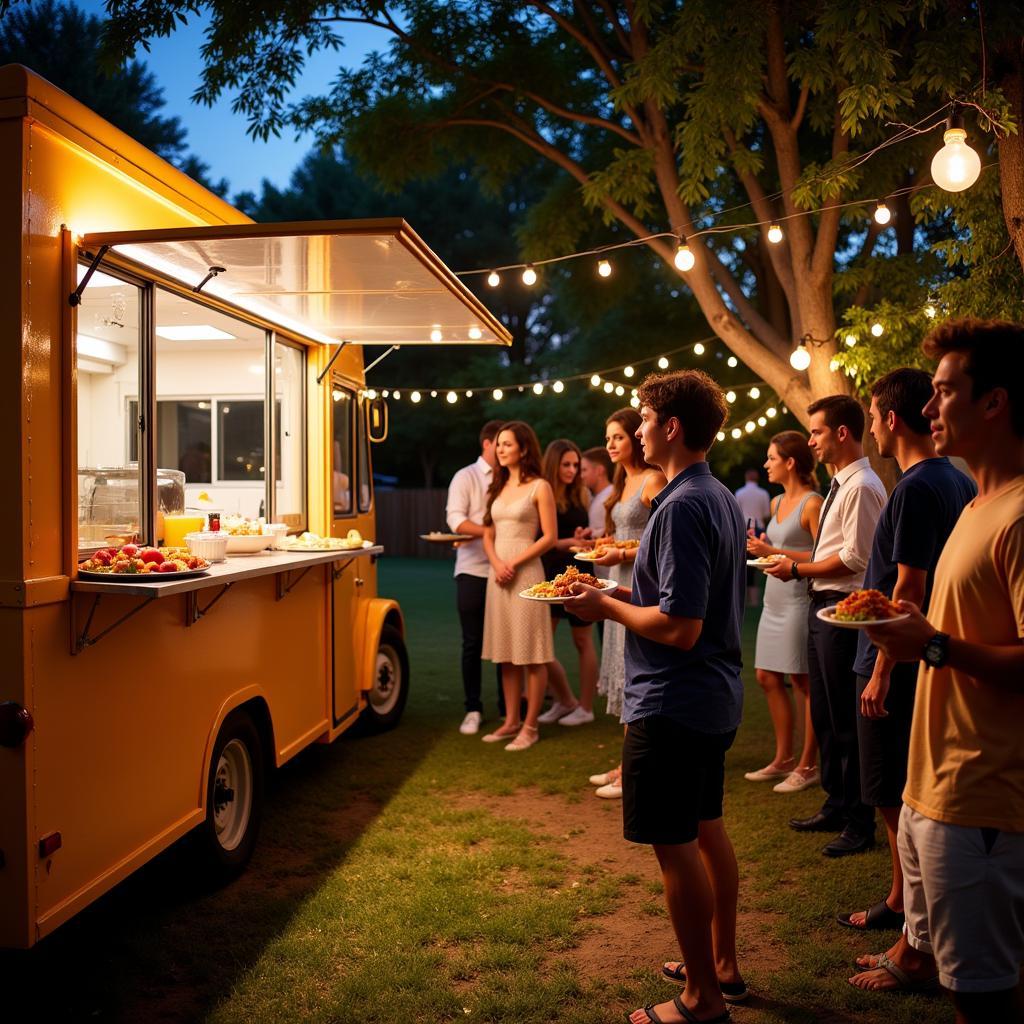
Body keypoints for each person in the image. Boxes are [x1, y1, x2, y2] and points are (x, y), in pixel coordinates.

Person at [851, 320, 1024, 1024]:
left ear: (994, 403)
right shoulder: (977, 504)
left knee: (983, 999)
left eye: (945, 392)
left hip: (982, 799)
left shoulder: (1018, 515)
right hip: (933, 786)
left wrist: (932, 646)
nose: (928, 409)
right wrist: (907, 639)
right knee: (959, 984)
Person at [569, 369, 746, 1024]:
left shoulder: (680, 505)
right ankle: (720, 965)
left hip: (674, 702)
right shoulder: (716, 494)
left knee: (675, 847)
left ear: (670, 427)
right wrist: (613, 594)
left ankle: (701, 997)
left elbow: (680, 625)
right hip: (711, 698)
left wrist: (605, 607)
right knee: (705, 831)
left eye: (643, 418)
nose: (637, 428)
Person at [838, 370, 974, 934]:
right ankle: (908, 902)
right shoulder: (958, 481)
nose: (871, 426)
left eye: (871, 416)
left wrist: (881, 670)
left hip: (900, 659)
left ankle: (903, 905)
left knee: (892, 792)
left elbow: (908, 591)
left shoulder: (916, 487)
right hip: (931, 656)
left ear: (891, 420)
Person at [765, 394, 886, 857]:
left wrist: (796, 570)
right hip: (822, 606)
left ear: (840, 432)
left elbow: (857, 557)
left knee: (845, 720)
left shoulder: (860, 486)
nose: (810, 439)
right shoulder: (841, 483)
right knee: (827, 714)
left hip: (843, 607)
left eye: (816, 431)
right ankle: (836, 802)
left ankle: (860, 823)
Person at [590, 408, 665, 799]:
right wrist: (603, 545)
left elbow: (659, 541)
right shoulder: (623, 480)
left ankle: (632, 771)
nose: (610, 445)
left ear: (635, 436)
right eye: (607, 439)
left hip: (638, 580)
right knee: (620, 666)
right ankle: (626, 763)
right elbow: (622, 532)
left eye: (617, 436)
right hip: (615, 577)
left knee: (634, 670)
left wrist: (623, 555)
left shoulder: (653, 479)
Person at [743, 431, 822, 792]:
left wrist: (769, 551)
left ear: (790, 462)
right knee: (766, 676)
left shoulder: (812, 503)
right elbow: (774, 549)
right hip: (773, 597)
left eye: (772, 458)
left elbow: (822, 556)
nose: (766, 464)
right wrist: (761, 549)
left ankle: (808, 765)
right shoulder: (775, 503)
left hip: (798, 598)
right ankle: (783, 758)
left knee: (803, 680)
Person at [481, 421, 557, 751]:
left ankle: (530, 725)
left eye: (507, 444)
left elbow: (550, 538)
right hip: (497, 576)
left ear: (523, 449)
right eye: (498, 444)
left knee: (532, 653)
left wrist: (514, 562)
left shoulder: (539, 487)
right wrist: (498, 564)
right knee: (506, 653)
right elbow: (487, 532)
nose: (500, 449)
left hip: (526, 574)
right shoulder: (496, 487)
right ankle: (510, 721)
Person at [446, 420, 504, 735]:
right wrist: (489, 533)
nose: (506, 448)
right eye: (501, 443)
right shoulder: (465, 476)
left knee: (504, 641)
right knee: (472, 642)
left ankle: (509, 708)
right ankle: (473, 708)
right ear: (487, 443)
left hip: (507, 568)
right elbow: (455, 519)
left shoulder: (511, 478)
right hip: (472, 569)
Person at [537, 439, 598, 727]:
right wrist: (569, 540)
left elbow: (574, 536)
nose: (573, 470)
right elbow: (541, 539)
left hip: (577, 569)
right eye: (567, 464)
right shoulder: (542, 491)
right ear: (553, 464)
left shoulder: (581, 494)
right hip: (549, 573)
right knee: (541, 644)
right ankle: (564, 699)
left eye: (576, 464)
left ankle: (585, 707)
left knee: (582, 640)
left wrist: (581, 536)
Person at [735, 468, 772, 606]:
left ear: (746, 477)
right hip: (758, 530)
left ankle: (742, 599)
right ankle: (755, 600)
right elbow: (766, 514)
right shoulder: (763, 493)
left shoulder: (739, 493)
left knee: (742, 564)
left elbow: (736, 513)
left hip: (743, 530)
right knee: (756, 566)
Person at [580, 446, 614, 536]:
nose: (581, 476)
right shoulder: (596, 496)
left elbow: (614, 529)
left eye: (584, 470)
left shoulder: (611, 495)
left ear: (599, 470)